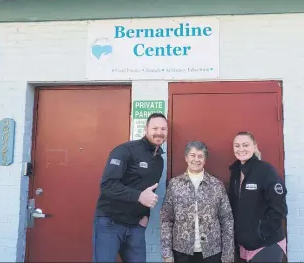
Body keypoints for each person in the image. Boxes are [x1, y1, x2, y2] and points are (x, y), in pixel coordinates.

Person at [92, 112, 168, 262]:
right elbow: (107, 185)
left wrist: (145, 215)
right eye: (155, 128)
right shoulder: (125, 150)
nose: (159, 132)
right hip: (110, 222)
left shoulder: (159, 161)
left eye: (163, 129)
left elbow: (149, 192)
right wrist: (139, 196)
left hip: (135, 226)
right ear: (146, 129)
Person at [161, 141, 235, 263]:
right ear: (186, 158)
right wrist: (166, 253)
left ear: (205, 160)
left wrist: (228, 254)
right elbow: (166, 219)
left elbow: (227, 219)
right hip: (181, 251)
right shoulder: (175, 184)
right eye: (192, 155)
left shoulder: (216, 185)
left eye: (200, 156)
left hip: (212, 251)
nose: (196, 159)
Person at [228, 132, 288, 263]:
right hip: (246, 245)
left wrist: (262, 233)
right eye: (237, 146)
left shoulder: (266, 171)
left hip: (267, 244)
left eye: (245, 145)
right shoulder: (235, 173)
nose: (241, 149)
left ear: (255, 146)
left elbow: (280, 208)